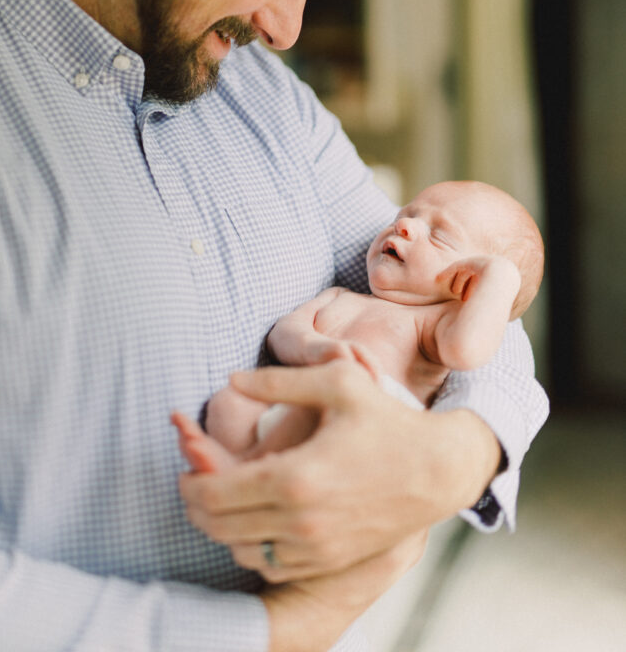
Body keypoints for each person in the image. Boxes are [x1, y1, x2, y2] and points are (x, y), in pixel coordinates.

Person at [0, 0, 549, 652]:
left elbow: (471, 295)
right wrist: (274, 630)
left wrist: (445, 461)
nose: (286, 25)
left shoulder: (266, 97)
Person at [173, 180, 544, 475]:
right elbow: (283, 332)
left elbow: (470, 351)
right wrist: (311, 347)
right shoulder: (340, 297)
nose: (405, 224)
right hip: (294, 407)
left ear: (469, 283)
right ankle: (243, 473)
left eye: (439, 235)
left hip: (369, 432)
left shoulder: (438, 324)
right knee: (231, 403)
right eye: (406, 214)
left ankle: (251, 479)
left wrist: (500, 279)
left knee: (322, 409)